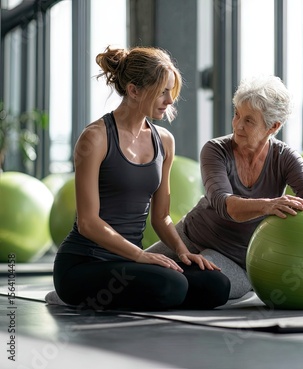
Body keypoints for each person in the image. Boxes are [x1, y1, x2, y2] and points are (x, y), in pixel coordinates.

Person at [146, 75, 303, 300]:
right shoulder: (215, 150)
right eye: (237, 114)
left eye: (249, 120)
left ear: (273, 126)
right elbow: (222, 203)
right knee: (132, 270)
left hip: (236, 260)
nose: (238, 125)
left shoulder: (285, 158)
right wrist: (267, 206)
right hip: (189, 237)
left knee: (198, 285)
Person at [48, 46, 230, 311]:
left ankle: (150, 287)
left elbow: (161, 216)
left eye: (171, 91)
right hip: (84, 263)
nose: (170, 100)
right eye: (163, 91)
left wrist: (182, 252)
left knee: (216, 286)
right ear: (134, 90)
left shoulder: (164, 141)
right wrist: (141, 255)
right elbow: (88, 223)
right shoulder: (96, 137)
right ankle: (69, 294)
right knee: (172, 286)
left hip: (128, 263)